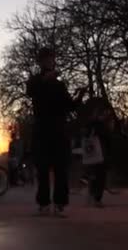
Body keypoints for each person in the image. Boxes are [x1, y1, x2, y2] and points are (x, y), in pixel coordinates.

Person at [26, 47, 86, 217]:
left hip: (59, 129)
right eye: (46, 59)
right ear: (40, 62)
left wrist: (80, 97)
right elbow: (30, 92)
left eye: (51, 59)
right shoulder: (35, 80)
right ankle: (43, 203)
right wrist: (45, 80)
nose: (50, 62)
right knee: (43, 168)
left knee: (61, 168)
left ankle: (60, 203)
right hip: (42, 129)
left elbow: (69, 106)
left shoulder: (59, 85)